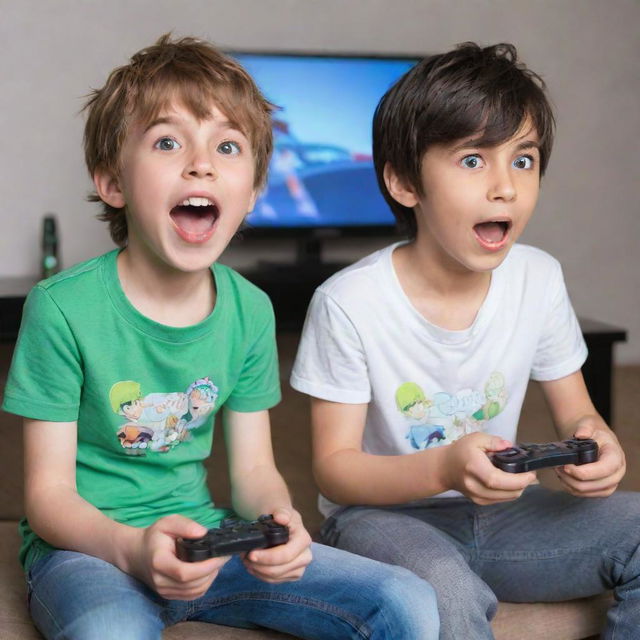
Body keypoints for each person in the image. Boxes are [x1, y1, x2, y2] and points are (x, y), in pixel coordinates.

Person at [1, 34, 440, 640]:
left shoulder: (250, 310)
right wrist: (130, 549)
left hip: (206, 532)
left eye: (227, 146)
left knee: (405, 599)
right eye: (167, 142)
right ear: (113, 183)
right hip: (87, 549)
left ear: (254, 191)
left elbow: (254, 469)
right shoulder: (61, 309)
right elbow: (47, 496)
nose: (200, 163)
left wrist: (276, 519)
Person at [290, 42, 640, 639]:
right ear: (403, 182)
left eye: (523, 160)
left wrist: (598, 442)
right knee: (443, 591)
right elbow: (335, 472)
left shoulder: (538, 277)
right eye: (473, 160)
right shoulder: (348, 302)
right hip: (381, 519)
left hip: (502, 516)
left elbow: (578, 409)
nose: (505, 187)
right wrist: (445, 468)